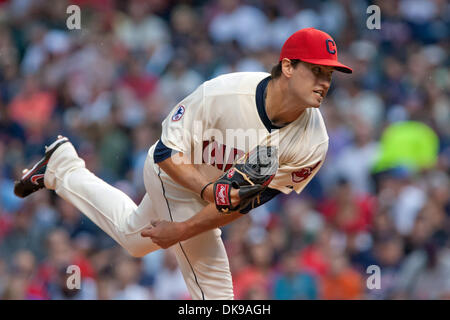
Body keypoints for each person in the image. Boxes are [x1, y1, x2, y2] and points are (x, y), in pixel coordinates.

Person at [14, 28, 352, 300]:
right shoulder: (224, 94)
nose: (324, 82)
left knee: (134, 238)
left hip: (210, 194)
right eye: (316, 70)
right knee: (215, 289)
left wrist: (195, 218)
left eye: (330, 75)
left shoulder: (312, 142)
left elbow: (246, 200)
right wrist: (205, 196)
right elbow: (164, 153)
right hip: (172, 174)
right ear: (289, 67)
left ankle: (62, 168)